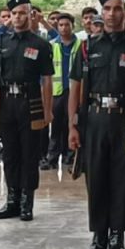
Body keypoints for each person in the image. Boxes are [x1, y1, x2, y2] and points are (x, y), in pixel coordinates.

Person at [68, 0, 125, 249]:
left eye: (118, 9)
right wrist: (73, 126)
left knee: (123, 180)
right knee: (96, 179)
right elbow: (75, 87)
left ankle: (117, 241)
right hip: (94, 120)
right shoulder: (87, 47)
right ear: (101, 13)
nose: (112, 14)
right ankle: (98, 240)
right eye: (107, 9)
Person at [0, 0, 53, 222]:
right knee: (9, 153)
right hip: (7, 102)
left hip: (31, 102)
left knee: (29, 153)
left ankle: (27, 201)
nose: (18, 17)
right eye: (14, 13)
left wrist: (48, 110)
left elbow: (47, 79)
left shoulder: (41, 44)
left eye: (22, 13)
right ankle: (12, 199)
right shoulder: (1, 43)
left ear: (31, 15)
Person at [44, 13, 80, 170]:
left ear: (73, 26)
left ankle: (71, 157)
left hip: (74, 91)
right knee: (56, 126)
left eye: (67, 25)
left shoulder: (81, 45)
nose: (64, 28)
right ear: (57, 27)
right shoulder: (52, 45)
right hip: (57, 91)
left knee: (72, 123)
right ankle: (52, 158)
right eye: (61, 25)